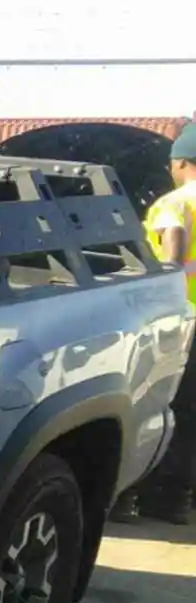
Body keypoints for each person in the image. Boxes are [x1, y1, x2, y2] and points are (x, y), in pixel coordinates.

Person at [134, 123, 196, 523]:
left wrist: (172, 270)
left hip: (184, 321)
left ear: (181, 163)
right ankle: (180, 500)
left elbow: (174, 240)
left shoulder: (174, 203)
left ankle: (159, 498)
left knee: (170, 405)